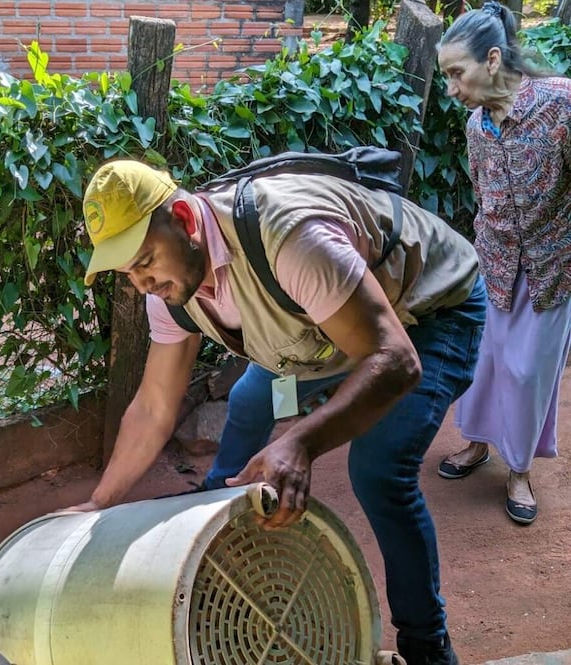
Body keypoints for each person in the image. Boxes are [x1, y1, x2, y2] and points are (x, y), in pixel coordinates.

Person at [72, 156, 485, 665]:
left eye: (145, 260)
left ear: (183, 219)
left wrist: (301, 442)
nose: (141, 284)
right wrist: (100, 501)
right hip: (323, 330)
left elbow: (394, 360)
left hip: (425, 313)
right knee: (250, 398)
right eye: (127, 271)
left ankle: (427, 642)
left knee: (380, 470)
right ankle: (216, 504)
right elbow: (155, 404)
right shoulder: (168, 286)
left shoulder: (291, 238)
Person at [437, 2, 571, 525]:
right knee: (484, 364)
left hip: (550, 266)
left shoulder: (560, 104)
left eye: (456, 73)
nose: (451, 87)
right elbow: (482, 191)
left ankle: (518, 469)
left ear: (492, 59)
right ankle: (476, 445)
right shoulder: (475, 126)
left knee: (526, 371)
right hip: (492, 264)